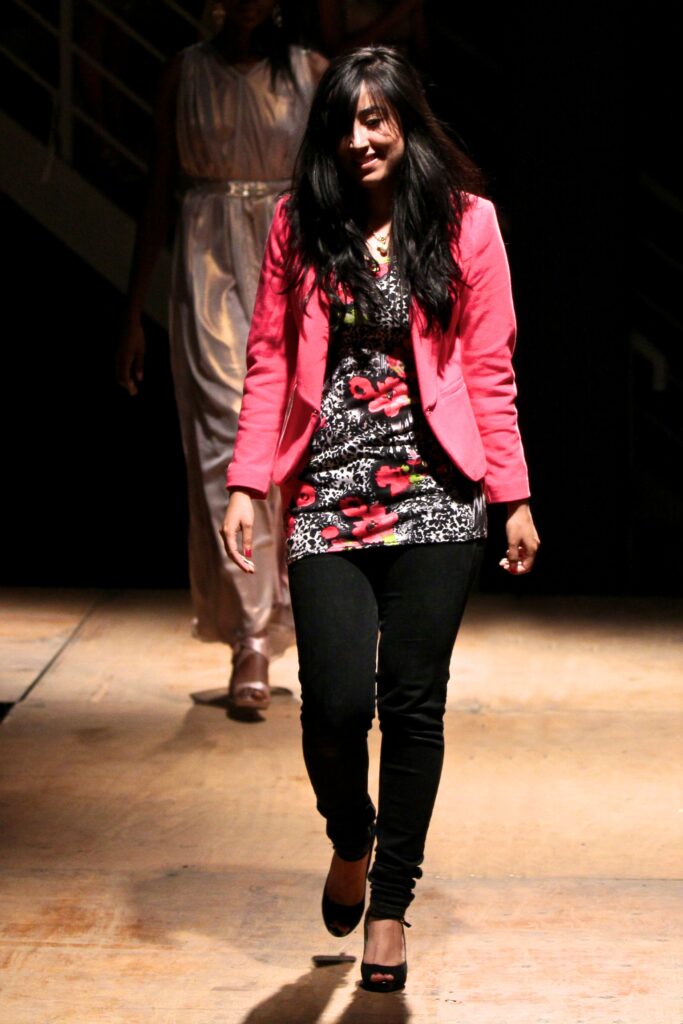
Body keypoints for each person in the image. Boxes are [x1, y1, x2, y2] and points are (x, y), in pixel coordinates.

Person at [221, 46, 539, 991]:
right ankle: (350, 836)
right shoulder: (299, 222)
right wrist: (245, 482)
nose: (360, 139)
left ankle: (391, 904)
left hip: (437, 492)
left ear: (404, 123)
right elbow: (268, 359)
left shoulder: (466, 223)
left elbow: (489, 368)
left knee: (411, 703)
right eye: (344, 122)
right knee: (332, 707)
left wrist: (513, 496)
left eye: (376, 120)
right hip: (327, 489)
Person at [117, 1, 326, 712]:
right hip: (207, 265)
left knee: (293, 440)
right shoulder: (185, 73)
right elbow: (157, 189)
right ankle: (250, 634)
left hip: (289, 257)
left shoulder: (310, 71)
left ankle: (306, 616)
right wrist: (132, 312)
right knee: (224, 442)